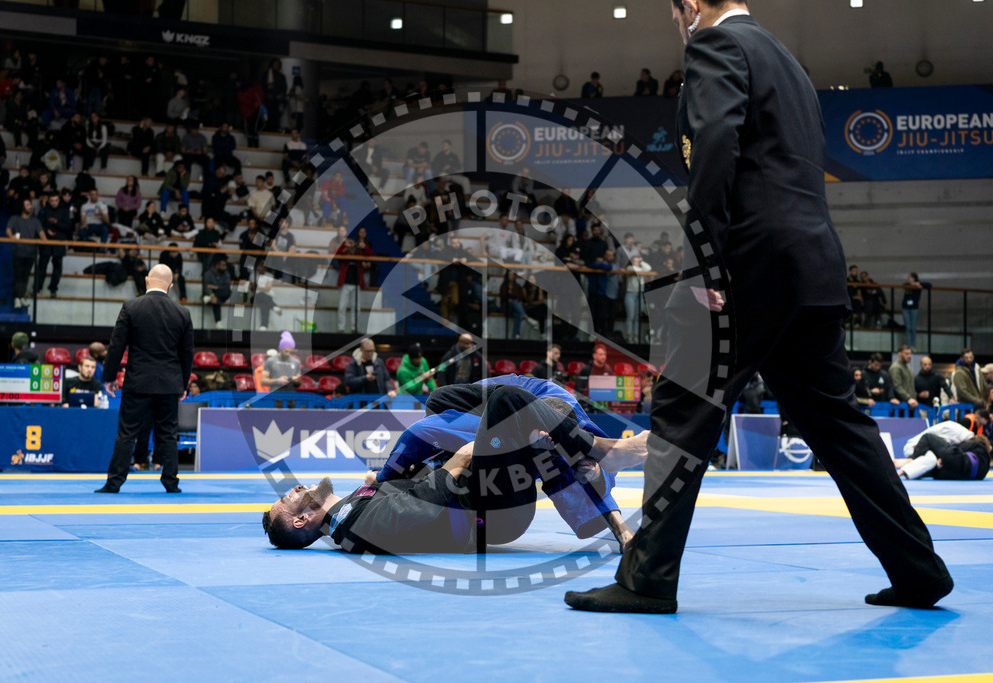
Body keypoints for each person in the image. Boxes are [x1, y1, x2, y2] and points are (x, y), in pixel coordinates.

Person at [566, 0, 951, 615]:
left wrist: (706, 257)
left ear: (690, 6)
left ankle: (647, 579)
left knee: (682, 410)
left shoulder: (714, 47)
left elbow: (717, 141)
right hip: (812, 263)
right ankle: (919, 570)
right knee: (839, 427)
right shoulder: (789, 62)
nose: (676, 22)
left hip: (750, 265)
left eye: (675, 12)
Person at [263, 377, 647, 552]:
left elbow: (407, 494)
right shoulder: (354, 523)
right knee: (507, 402)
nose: (295, 488)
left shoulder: (349, 507)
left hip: (479, 492)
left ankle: (556, 435)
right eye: (289, 499)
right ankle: (596, 448)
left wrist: (383, 481)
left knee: (442, 402)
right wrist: (462, 456)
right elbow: (424, 503)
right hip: (488, 512)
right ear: (300, 521)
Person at [95, 264, 194, 493]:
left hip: (138, 381)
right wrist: (183, 383)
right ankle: (171, 483)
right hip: (170, 383)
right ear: (170, 285)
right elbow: (187, 354)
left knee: (127, 432)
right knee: (168, 433)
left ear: (147, 280)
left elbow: (116, 346)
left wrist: (109, 377)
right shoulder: (182, 312)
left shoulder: (131, 307)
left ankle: (114, 482)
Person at [895, 433, 989, 481]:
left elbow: (957, 449)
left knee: (928, 437)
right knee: (933, 466)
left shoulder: (977, 446)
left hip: (955, 459)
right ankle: (908, 471)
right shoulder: (985, 467)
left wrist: (944, 458)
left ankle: (911, 460)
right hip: (956, 475)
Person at [8, 199, 46, 309]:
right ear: (22, 207)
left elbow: (41, 232)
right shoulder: (15, 219)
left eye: (30, 204)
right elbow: (8, 229)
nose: (30, 207)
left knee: (25, 276)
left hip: (30, 253)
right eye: (28, 205)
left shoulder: (35, 221)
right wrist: (11, 237)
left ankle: (22, 297)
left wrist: (43, 237)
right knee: (18, 275)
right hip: (18, 252)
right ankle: (17, 298)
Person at [37, 192, 73, 298]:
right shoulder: (43, 210)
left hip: (59, 242)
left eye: (56, 200)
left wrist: (56, 222)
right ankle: (38, 288)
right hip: (46, 242)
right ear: (48, 200)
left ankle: (53, 289)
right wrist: (46, 230)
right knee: (42, 267)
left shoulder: (64, 210)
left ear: (59, 200)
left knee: (57, 268)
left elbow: (68, 226)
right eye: (51, 200)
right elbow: (38, 224)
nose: (54, 203)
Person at [202, 257, 232, 329]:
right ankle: (218, 322)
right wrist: (212, 295)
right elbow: (206, 287)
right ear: (217, 265)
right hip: (212, 294)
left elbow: (227, 287)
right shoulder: (208, 273)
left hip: (222, 293)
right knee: (217, 300)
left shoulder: (226, 274)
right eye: (223, 265)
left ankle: (209, 299)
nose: (225, 267)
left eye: (225, 265)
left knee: (228, 292)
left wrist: (216, 287)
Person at [889, 344, 918, 410]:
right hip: (901, 406)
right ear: (900, 354)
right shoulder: (896, 367)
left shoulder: (908, 368)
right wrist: (909, 398)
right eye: (906, 354)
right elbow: (897, 386)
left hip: (911, 405)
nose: (909, 356)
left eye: (910, 354)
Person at [901, 272, 924, 348]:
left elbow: (928, 284)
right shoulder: (907, 285)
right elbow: (903, 285)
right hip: (906, 307)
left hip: (914, 308)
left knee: (912, 327)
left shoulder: (918, 285)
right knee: (907, 327)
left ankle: (913, 345)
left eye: (910, 277)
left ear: (914, 278)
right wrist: (912, 285)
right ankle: (908, 345)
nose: (908, 278)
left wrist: (917, 284)